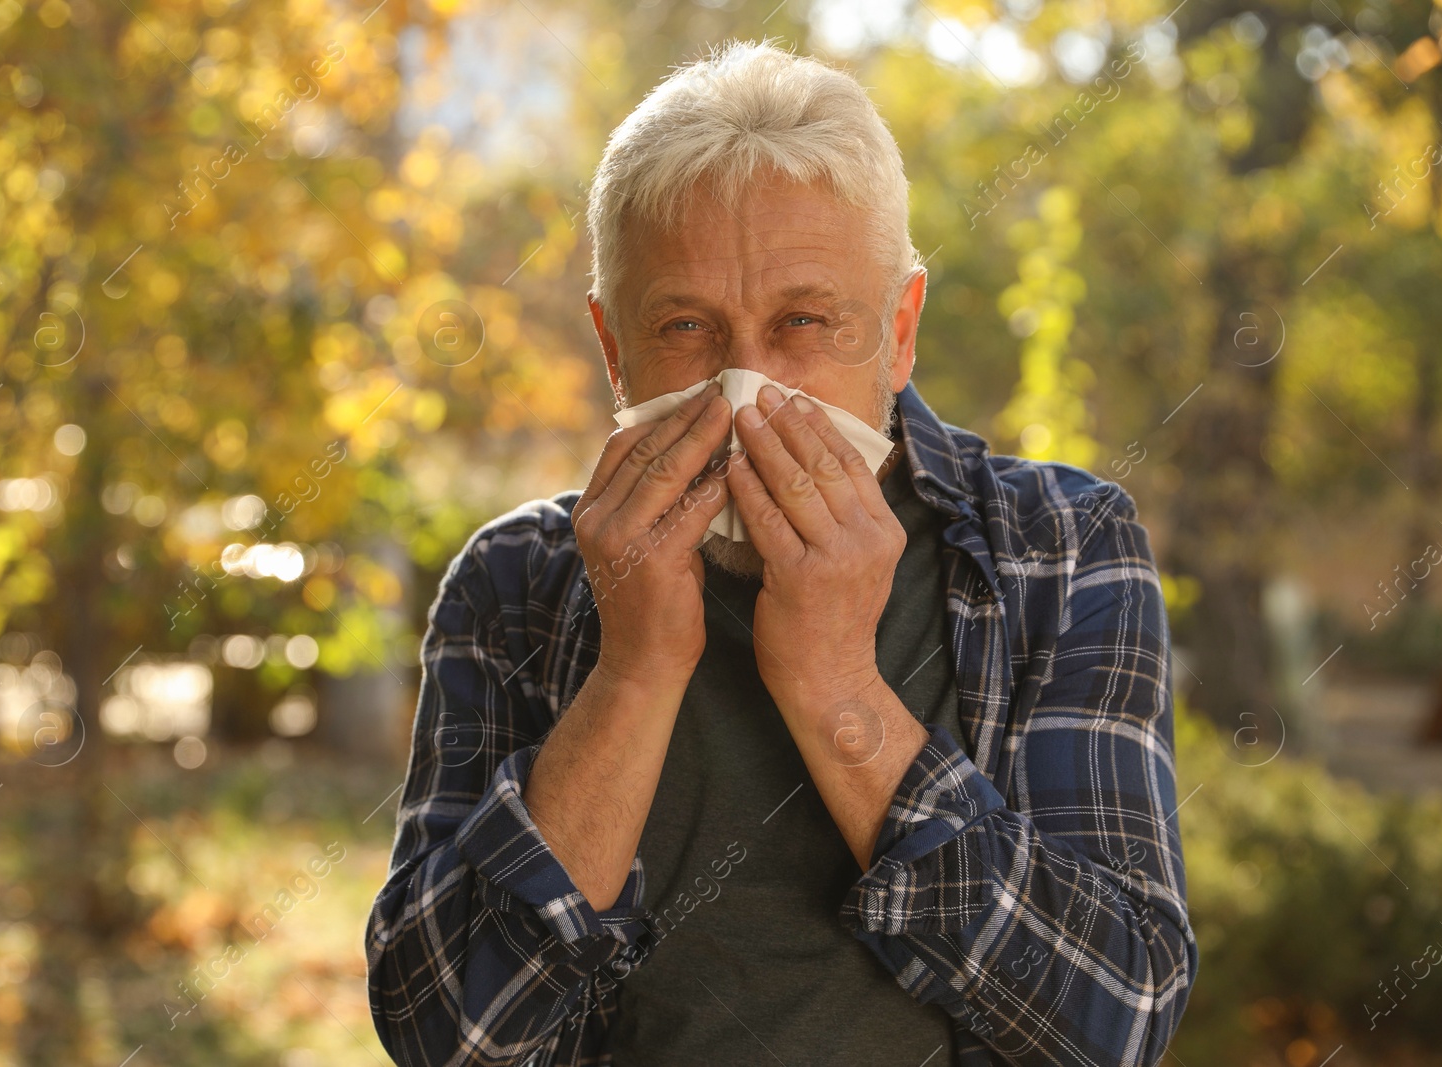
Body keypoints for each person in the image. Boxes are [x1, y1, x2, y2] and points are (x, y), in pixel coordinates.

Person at [366, 39, 1196, 1067]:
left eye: (804, 319)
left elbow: (1115, 1018)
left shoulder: (1061, 547)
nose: (744, 386)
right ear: (613, 348)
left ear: (898, 331)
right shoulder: (513, 580)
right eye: (685, 325)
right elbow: (445, 1037)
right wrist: (632, 673)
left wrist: (837, 684)